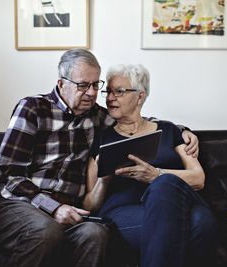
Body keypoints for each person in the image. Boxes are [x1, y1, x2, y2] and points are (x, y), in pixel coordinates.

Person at [0, 49, 199, 267]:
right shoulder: (33, 108)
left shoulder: (96, 116)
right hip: (24, 204)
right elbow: (7, 173)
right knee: (46, 231)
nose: (91, 93)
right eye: (83, 85)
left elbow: (135, 120)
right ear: (62, 84)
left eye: (95, 85)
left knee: (96, 234)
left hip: (73, 209)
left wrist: (180, 130)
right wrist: (53, 207)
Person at [84, 64, 218, 267]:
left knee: (163, 184)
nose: (110, 98)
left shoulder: (169, 130)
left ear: (139, 96)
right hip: (125, 210)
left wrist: (157, 174)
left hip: (179, 202)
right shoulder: (103, 140)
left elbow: (198, 178)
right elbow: (89, 206)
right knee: (200, 223)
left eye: (119, 91)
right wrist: (103, 181)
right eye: (108, 92)